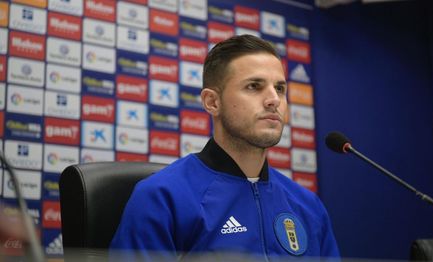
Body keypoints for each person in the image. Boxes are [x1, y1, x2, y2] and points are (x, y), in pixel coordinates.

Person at [110, 35, 340, 260]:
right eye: (254, 86)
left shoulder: (308, 206)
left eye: (279, 88)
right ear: (212, 102)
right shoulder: (161, 197)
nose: (274, 100)